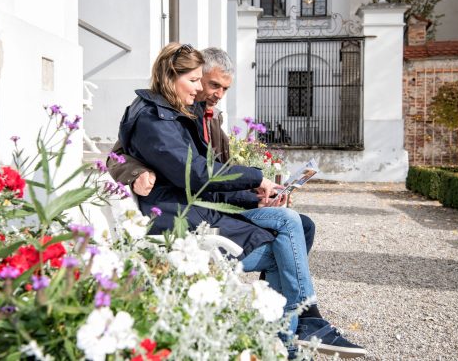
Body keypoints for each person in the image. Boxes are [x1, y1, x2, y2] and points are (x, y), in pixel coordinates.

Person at [116, 43, 366, 358]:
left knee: (295, 225)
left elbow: (205, 179)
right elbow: (189, 173)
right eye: (198, 81)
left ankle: (294, 330)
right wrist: (255, 178)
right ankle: (293, 331)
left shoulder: (183, 114)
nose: (205, 90)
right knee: (285, 243)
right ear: (172, 77)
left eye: (208, 84)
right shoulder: (157, 118)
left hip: (201, 209)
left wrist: (256, 196)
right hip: (180, 221)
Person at [108, 47, 315, 254]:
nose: (219, 95)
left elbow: (217, 173)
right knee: (284, 235)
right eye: (213, 85)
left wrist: (257, 197)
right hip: (192, 211)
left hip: (211, 203)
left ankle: (271, 285)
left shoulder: (213, 118)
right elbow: (117, 155)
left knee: (302, 226)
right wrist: (135, 171)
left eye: (225, 89)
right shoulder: (165, 115)